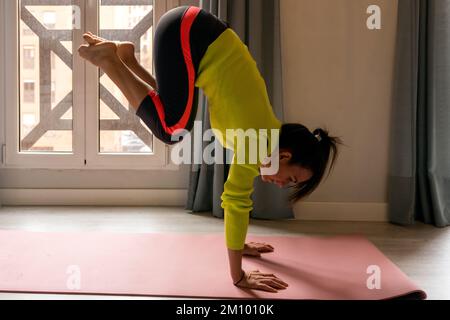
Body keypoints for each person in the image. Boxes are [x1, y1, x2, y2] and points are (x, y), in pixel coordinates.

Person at [78, 5, 343, 293]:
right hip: (189, 33)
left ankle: (125, 58)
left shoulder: (261, 133)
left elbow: (175, 102)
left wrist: (240, 244)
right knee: (172, 130)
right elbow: (236, 202)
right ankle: (109, 61)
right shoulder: (259, 142)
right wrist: (239, 276)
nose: (281, 185)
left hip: (190, 31)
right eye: (290, 178)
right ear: (284, 155)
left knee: (177, 120)